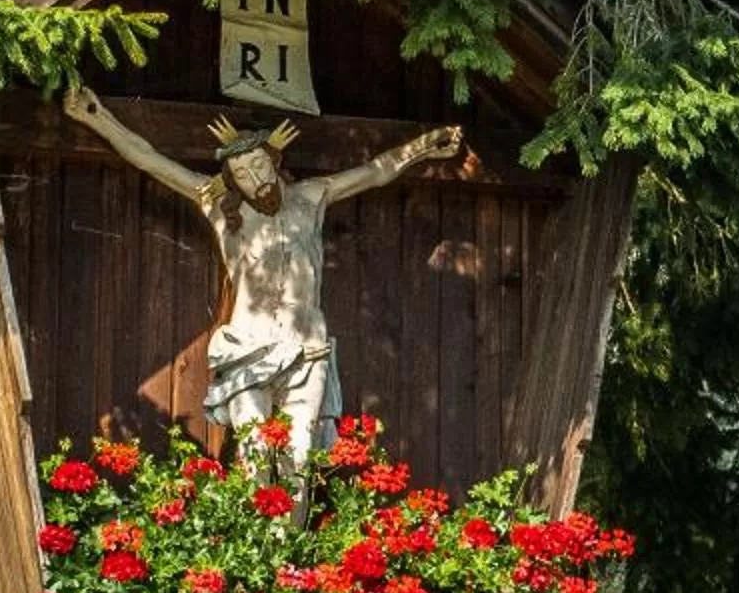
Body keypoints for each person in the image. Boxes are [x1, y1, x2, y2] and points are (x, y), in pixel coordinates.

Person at [60, 84, 463, 468]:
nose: (255, 178)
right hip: (247, 346)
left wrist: (423, 148)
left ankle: (292, 540)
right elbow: (149, 159)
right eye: (242, 172)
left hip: (306, 345)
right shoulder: (218, 205)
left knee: (301, 456)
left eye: (259, 165)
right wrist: (98, 118)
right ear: (231, 179)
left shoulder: (311, 196)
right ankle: (262, 535)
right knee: (256, 454)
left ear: (275, 160)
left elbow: (374, 171)